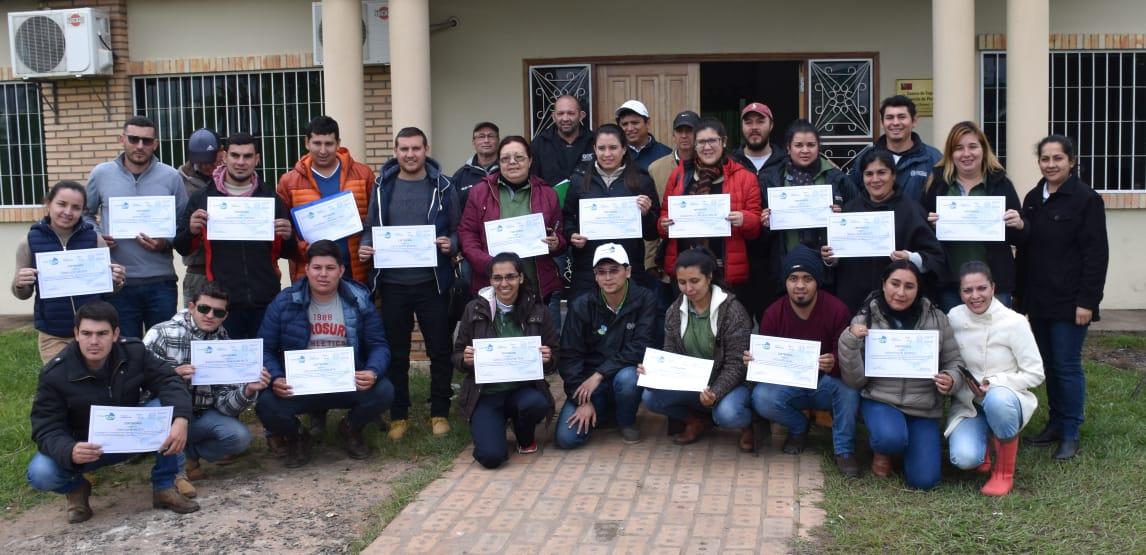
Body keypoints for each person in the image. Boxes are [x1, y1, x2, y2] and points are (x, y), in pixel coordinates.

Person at [27, 301, 198, 523]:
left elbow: (168, 380)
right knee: (41, 472)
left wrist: (181, 419)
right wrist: (69, 450)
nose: (94, 341)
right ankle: (77, 488)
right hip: (88, 449)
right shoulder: (55, 374)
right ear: (76, 334)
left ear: (115, 334)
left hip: (132, 437)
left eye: (102, 333)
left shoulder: (134, 351)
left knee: (167, 408)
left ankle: (164, 486)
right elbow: (46, 426)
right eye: (86, 333)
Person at [357, 126, 460, 440]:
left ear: (425, 149)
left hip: (432, 283)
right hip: (392, 284)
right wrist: (365, 245)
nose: (410, 154)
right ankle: (399, 414)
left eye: (416, 148)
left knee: (439, 351)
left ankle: (439, 412)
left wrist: (450, 244)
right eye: (404, 149)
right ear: (395, 151)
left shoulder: (443, 186)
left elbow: (458, 228)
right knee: (397, 353)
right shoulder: (381, 186)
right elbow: (371, 227)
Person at [255, 240, 395, 468]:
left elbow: (379, 345)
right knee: (266, 404)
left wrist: (372, 371)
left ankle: (350, 427)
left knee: (384, 391)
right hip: (301, 386)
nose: (323, 274)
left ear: (341, 270)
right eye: (317, 268)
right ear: (307, 269)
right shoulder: (284, 302)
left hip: (346, 382)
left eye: (330, 268)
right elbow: (265, 349)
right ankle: (298, 436)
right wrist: (277, 377)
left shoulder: (359, 300)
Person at [1016, 135, 1109, 461]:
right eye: (1045, 159)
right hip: (1038, 301)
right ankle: (1055, 424)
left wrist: (1088, 301)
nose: (1051, 164)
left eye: (1058, 158)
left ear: (1071, 161)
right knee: (1048, 366)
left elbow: (1096, 255)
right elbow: (1025, 249)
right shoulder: (1032, 198)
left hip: (1071, 303)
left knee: (1067, 366)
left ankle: (1070, 431)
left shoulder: (1086, 199)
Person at [838, 260, 964, 490]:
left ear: (918, 289)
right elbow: (854, 381)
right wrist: (849, 340)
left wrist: (951, 379)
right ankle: (884, 448)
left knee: (924, 481)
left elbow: (954, 361)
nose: (901, 292)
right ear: (884, 284)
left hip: (923, 407)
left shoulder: (937, 319)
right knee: (890, 437)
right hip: (881, 400)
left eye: (909, 286)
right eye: (895, 284)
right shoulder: (864, 321)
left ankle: (905, 446)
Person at [744, 245, 859, 477]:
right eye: (793, 278)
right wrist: (755, 362)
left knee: (849, 389)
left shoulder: (837, 310)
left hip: (826, 383)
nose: (800, 286)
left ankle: (844, 450)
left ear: (817, 281)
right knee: (762, 397)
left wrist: (834, 361)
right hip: (790, 386)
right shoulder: (773, 314)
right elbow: (767, 367)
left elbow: (849, 356)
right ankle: (798, 427)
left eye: (807, 278)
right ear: (785, 282)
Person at [142, 281, 270, 489]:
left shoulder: (226, 346)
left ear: (225, 316)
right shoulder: (161, 333)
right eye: (204, 308)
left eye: (218, 312)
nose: (210, 315)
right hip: (163, 414)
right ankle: (175, 474)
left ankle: (190, 454)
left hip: (200, 416)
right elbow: (137, 382)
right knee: (159, 410)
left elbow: (224, 406)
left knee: (240, 437)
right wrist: (171, 376)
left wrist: (247, 390)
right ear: (191, 306)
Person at [174, 132, 295, 340]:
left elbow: (288, 252)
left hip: (265, 299)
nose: (241, 162)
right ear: (224, 157)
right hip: (222, 303)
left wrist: (288, 236)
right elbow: (182, 247)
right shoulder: (202, 198)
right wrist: (191, 230)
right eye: (235, 155)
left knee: (265, 365)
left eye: (247, 156)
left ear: (257, 159)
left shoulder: (270, 198)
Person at [945, 261, 1045, 496]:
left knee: (998, 400)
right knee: (964, 458)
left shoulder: (1014, 322)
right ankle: (986, 443)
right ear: (960, 292)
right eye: (967, 290)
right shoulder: (954, 317)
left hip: (1005, 399)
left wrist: (995, 383)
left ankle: (1003, 472)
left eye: (981, 288)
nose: (975, 296)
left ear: (993, 287)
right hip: (970, 404)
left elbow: (1035, 373)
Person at [84, 116, 188, 339]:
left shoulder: (171, 177)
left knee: (163, 351)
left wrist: (165, 242)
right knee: (124, 349)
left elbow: (183, 222)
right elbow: (85, 214)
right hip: (117, 281)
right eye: (134, 139)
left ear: (155, 144)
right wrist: (98, 236)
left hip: (160, 281)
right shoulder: (101, 174)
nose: (140, 146)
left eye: (147, 141)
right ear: (122, 139)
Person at [640, 248, 754, 447]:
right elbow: (671, 354)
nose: (688, 288)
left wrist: (715, 392)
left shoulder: (733, 310)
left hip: (732, 384)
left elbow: (737, 365)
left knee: (728, 414)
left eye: (694, 281)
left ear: (709, 277)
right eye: (682, 282)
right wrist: (653, 372)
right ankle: (696, 422)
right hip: (694, 384)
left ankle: (749, 425)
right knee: (650, 397)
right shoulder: (674, 311)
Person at [453, 253, 557, 468]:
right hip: (486, 394)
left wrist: (548, 357)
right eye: (497, 278)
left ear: (520, 278)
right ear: (490, 280)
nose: (504, 283)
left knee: (537, 403)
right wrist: (465, 359)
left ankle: (522, 432)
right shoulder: (474, 309)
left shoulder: (538, 310)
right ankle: (495, 424)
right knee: (491, 458)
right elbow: (456, 355)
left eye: (510, 277)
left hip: (522, 391)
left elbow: (556, 354)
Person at [12, 181, 126, 363]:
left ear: (82, 210)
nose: (68, 212)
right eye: (61, 204)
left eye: (76, 207)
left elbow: (108, 289)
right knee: (61, 384)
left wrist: (117, 280)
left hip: (93, 332)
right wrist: (20, 284)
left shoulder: (94, 239)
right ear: (48, 203)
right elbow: (23, 294)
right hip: (53, 333)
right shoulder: (29, 241)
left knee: (96, 384)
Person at [556, 243, 657, 448]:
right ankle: (601, 411)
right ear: (595, 276)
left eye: (614, 270)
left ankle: (625, 421)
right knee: (566, 440)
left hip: (620, 374)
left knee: (629, 378)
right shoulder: (581, 305)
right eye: (601, 272)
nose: (608, 277)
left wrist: (600, 373)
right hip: (589, 383)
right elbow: (569, 355)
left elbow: (641, 345)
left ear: (627, 271)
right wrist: (582, 401)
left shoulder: (645, 299)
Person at [825, 149, 946, 314]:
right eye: (869, 174)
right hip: (854, 306)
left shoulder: (912, 211)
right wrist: (831, 258)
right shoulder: (849, 211)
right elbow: (835, 262)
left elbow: (936, 259)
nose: (875, 179)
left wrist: (910, 258)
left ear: (894, 175)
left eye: (882, 172)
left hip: (901, 308)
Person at [922, 121, 1026, 311]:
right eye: (959, 148)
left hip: (993, 283)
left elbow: (1020, 237)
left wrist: (1018, 224)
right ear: (951, 153)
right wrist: (931, 226)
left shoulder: (1000, 184)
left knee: (995, 339)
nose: (966, 154)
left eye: (972, 146)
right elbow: (922, 233)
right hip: (949, 283)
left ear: (983, 149)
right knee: (955, 340)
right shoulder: (937, 185)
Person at [659, 118, 763, 297]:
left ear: (724, 141)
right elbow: (663, 217)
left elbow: (756, 225)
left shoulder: (745, 177)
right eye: (701, 142)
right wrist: (664, 224)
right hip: (686, 272)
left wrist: (744, 219)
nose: (707, 147)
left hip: (725, 271)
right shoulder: (679, 174)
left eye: (712, 141)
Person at [459, 136, 566, 302]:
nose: (512, 162)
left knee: (536, 328)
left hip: (536, 285)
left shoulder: (548, 194)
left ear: (530, 160)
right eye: (505, 158)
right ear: (499, 163)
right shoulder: (479, 192)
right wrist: (487, 264)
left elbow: (559, 234)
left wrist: (556, 242)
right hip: (492, 283)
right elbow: (468, 234)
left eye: (519, 157)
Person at [563, 124, 660, 299]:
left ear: (624, 149)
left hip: (629, 268)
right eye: (601, 148)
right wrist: (571, 235)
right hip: (588, 269)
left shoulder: (641, 180)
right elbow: (567, 217)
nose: (607, 154)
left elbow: (653, 233)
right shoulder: (579, 180)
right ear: (594, 149)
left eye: (613, 147)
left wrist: (646, 214)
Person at [758, 119, 853, 297]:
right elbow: (759, 236)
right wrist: (765, 222)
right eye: (798, 145)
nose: (805, 150)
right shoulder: (771, 178)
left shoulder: (836, 178)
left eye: (811, 145)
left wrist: (843, 216)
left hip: (827, 269)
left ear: (819, 147)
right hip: (785, 268)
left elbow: (858, 212)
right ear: (788, 147)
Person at [277, 115, 375, 284]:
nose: (323, 151)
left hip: (357, 273)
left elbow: (375, 220)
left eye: (329, 144)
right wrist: (304, 249)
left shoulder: (363, 174)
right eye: (317, 143)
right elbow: (285, 233)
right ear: (307, 143)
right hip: (311, 276)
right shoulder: (289, 181)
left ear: (338, 143)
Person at [646, 110, 700, 348]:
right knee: (668, 317)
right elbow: (654, 215)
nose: (686, 136)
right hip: (668, 255)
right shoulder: (656, 168)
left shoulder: (713, 164)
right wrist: (651, 260)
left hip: (702, 254)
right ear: (674, 134)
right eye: (681, 131)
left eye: (691, 131)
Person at [847, 95, 942, 203]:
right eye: (889, 118)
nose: (895, 123)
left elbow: (943, 197)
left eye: (901, 117)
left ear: (914, 121)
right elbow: (852, 197)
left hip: (918, 220)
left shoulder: (933, 158)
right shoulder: (865, 158)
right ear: (882, 123)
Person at [177, 128, 223, 304]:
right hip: (197, 268)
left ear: (221, 152)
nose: (206, 166)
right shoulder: (178, 181)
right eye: (200, 162)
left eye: (210, 161)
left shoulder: (235, 177)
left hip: (229, 266)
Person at [531, 95, 594, 189]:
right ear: (553, 116)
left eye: (571, 113)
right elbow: (533, 181)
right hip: (550, 202)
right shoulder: (539, 144)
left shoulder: (594, 142)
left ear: (581, 116)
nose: (565, 119)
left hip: (587, 202)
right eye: (560, 113)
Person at [615, 100, 672, 170]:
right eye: (624, 124)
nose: (629, 128)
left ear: (647, 123)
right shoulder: (613, 154)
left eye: (635, 123)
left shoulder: (666, 154)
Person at [452, 121, 500, 203]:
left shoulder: (507, 170)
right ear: (473, 142)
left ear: (498, 140)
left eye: (491, 136)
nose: (486, 140)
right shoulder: (460, 176)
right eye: (481, 136)